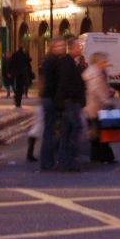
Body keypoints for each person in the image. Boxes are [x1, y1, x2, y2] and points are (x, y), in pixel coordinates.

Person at [56, 37, 87, 171]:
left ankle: (65, 161)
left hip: (70, 102)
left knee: (68, 132)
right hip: (70, 102)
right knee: (73, 131)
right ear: (72, 48)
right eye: (79, 46)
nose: (80, 48)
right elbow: (64, 84)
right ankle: (68, 161)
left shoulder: (71, 62)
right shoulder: (67, 63)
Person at [82, 52, 116, 164]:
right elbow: (96, 90)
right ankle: (104, 157)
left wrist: (108, 91)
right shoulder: (95, 73)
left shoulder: (93, 72)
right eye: (105, 61)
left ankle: (99, 157)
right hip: (96, 108)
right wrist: (107, 101)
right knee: (100, 134)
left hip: (93, 107)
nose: (106, 64)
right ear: (99, 62)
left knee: (97, 134)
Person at [39, 37, 67, 171]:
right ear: (52, 47)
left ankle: (49, 160)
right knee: (49, 132)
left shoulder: (56, 61)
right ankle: (47, 162)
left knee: (51, 131)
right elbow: (54, 83)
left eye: (62, 45)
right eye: (57, 46)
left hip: (50, 98)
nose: (61, 48)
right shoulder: (52, 61)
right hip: (50, 99)